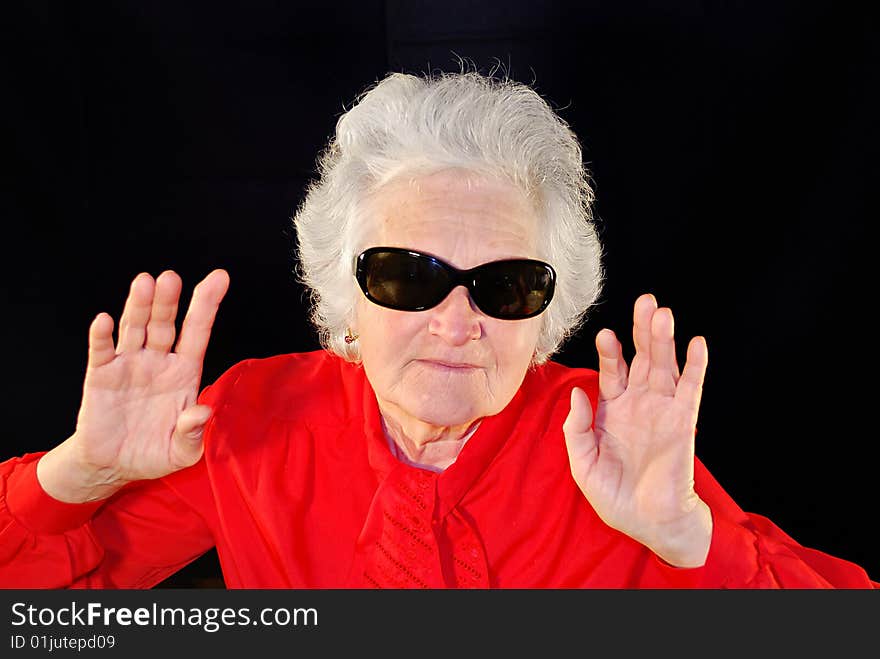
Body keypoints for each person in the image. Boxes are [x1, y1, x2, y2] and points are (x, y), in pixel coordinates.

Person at [0, 71, 876, 589]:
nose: (456, 321)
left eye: (506, 284)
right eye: (407, 276)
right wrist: (78, 473)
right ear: (345, 300)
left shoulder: (618, 444)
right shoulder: (252, 418)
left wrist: (692, 544)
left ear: (547, 314)